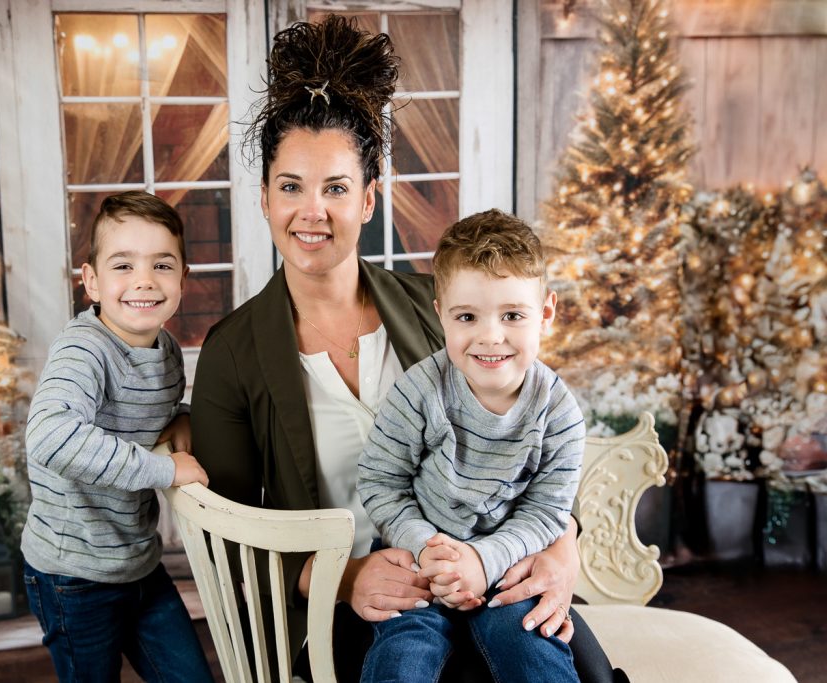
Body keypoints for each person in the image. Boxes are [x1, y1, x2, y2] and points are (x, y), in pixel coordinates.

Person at [191, 15, 623, 683]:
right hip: (355, 600)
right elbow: (231, 534)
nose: (312, 211)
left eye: (336, 188)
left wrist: (562, 549)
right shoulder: (233, 352)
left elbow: (535, 450)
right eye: (291, 186)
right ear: (265, 199)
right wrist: (346, 577)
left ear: (368, 200)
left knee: (582, 672)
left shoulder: (445, 309)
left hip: (488, 567)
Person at [356, 210, 584, 683]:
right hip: (422, 557)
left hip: (509, 561)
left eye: (512, 316)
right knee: (403, 654)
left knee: (533, 648)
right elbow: (381, 483)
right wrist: (428, 551)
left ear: (545, 313)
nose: (490, 337)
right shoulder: (420, 391)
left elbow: (547, 512)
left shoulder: (559, 412)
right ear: (441, 314)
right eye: (467, 317)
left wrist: (484, 562)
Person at [21, 191, 214, 683]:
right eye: (123, 265)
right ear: (92, 281)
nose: (144, 280)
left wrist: (183, 415)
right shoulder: (84, 351)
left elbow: (144, 414)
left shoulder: (166, 348)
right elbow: (51, 436)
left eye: (162, 265)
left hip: (138, 562)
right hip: (73, 573)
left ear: (183, 279)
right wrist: (165, 470)